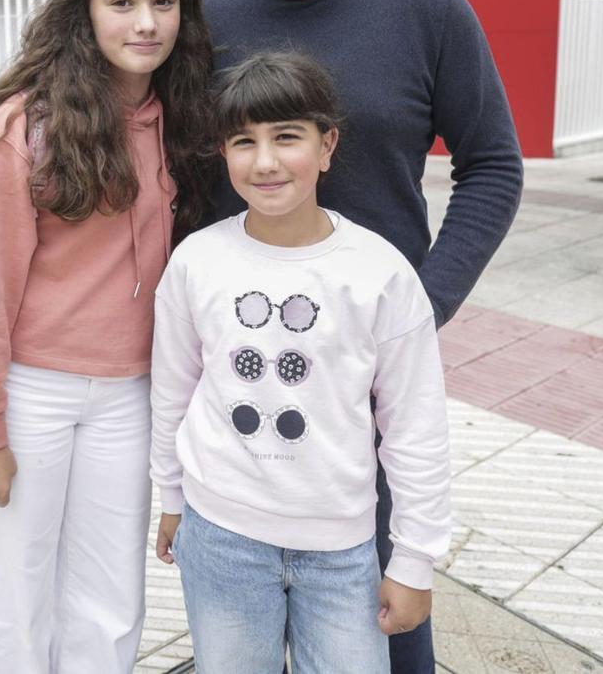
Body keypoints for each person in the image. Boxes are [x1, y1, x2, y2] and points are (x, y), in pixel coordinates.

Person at [203, 0, 525, 671]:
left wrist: (418, 305)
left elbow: (493, 165)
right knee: (246, 622)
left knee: (386, 617)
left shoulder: (428, 7)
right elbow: (181, 183)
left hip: (370, 383)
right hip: (244, 379)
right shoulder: (208, 21)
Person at [0, 0, 212, 673]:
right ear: (85, 10)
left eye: (163, 1)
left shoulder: (178, 118)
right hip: (32, 393)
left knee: (109, 599)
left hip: (129, 397)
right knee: (12, 597)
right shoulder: (22, 126)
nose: (146, 22)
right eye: (122, 1)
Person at [151, 51, 451, 674]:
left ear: (327, 145)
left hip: (341, 550)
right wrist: (171, 496)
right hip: (220, 536)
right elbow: (172, 391)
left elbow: (416, 427)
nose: (264, 162)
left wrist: (415, 559)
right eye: (243, 141)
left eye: (287, 138)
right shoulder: (195, 261)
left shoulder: (381, 273)